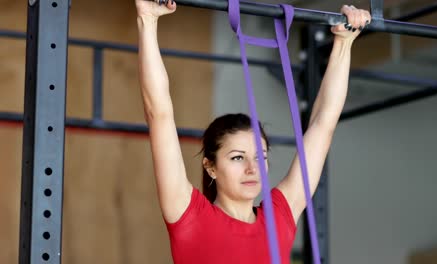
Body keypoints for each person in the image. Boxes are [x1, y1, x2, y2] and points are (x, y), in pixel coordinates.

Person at [134, 0, 370, 263]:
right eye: (237, 157)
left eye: (260, 157)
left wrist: (344, 43)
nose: (252, 168)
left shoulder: (279, 217)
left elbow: (323, 124)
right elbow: (159, 114)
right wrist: (148, 19)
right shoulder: (190, 216)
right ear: (210, 167)